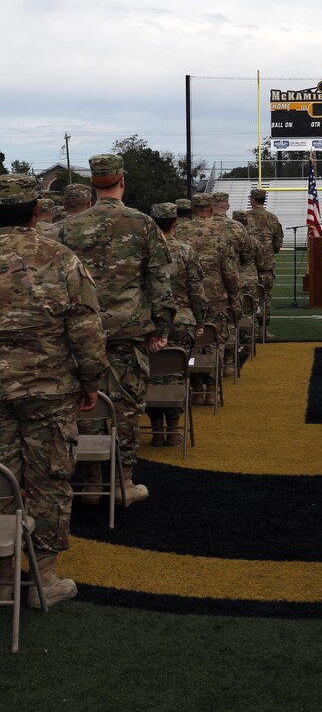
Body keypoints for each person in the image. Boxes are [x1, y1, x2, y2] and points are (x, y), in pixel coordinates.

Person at [0, 174, 109, 608]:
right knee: (48, 480)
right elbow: (85, 329)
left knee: (1, 481)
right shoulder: (61, 258)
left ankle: (4, 577)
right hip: (48, 391)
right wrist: (91, 383)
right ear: (36, 210)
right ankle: (43, 578)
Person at [59, 154, 176, 505]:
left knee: (86, 404)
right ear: (122, 180)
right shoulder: (143, 224)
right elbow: (159, 282)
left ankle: (93, 482)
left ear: (93, 183)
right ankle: (123, 482)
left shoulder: (68, 227)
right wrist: (161, 328)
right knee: (126, 407)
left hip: (82, 332)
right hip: (129, 332)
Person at [147, 202, 207, 445]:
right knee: (178, 372)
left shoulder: (143, 251)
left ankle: (156, 430)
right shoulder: (185, 251)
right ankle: (173, 429)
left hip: (150, 323)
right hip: (182, 321)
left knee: (150, 375)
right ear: (175, 224)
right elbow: (197, 292)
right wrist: (200, 321)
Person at [182, 193, 240, 405]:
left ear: (194, 209)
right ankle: (212, 389)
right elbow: (230, 271)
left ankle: (196, 387)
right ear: (210, 208)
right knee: (216, 342)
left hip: (188, 297)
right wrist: (234, 296)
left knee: (193, 343)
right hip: (216, 296)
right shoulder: (221, 232)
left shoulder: (180, 230)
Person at [212, 191, 251, 375]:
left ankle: (205, 373)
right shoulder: (237, 227)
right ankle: (228, 362)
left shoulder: (198, 228)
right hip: (232, 282)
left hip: (206, 286)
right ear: (227, 206)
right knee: (231, 321)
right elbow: (247, 255)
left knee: (207, 327)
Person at [246, 187, 283, 341]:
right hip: (266, 265)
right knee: (265, 296)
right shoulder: (272, 218)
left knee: (247, 296)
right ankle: (263, 330)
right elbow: (278, 242)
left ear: (252, 200)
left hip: (247, 265)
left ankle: (248, 330)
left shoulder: (244, 218)